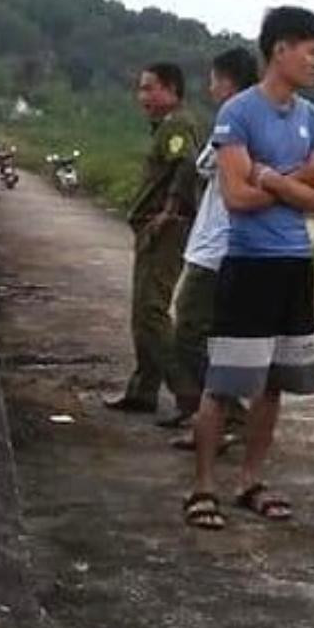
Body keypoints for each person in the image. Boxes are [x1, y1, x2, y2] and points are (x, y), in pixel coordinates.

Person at [184, 6, 314, 529]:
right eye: (311, 50)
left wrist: (271, 176)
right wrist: (291, 182)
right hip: (248, 262)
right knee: (225, 381)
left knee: (272, 383)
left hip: (295, 263)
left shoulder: (312, 118)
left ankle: (249, 478)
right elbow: (237, 196)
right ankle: (203, 485)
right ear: (280, 49)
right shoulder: (239, 114)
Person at [160, 46, 260, 432]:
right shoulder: (250, 120)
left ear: (230, 82)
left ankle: (225, 412)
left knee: (188, 329)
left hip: (219, 244)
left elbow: (204, 165)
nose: (211, 86)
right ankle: (215, 415)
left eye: (216, 79)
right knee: (209, 332)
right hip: (222, 241)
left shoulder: (237, 121)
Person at [104, 63, 202, 414]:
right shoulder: (165, 127)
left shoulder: (177, 125)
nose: (142, 96)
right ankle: (144, 388)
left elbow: (187, 164)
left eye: (150, 88)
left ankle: (187, 391)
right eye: (141, 89)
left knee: (151, 311)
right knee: (141, 310)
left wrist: (169, 210)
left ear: (172, 90)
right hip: (154, 229)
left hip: (167, 229)